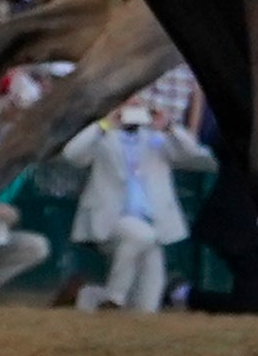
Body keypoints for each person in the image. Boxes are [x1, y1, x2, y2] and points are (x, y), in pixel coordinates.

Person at [62, 94, 206, 313]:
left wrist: (168, 126)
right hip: (113, 219)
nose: (133, 109)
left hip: (153, 222)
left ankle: (87, 297)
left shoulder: (156, 138)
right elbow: (72, 155)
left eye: (138, 105)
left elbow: (193, 153)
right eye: (127, 104)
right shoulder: (104, 136)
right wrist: (105, 124)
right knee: (140, 235)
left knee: (148, 302)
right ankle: (114, 297)